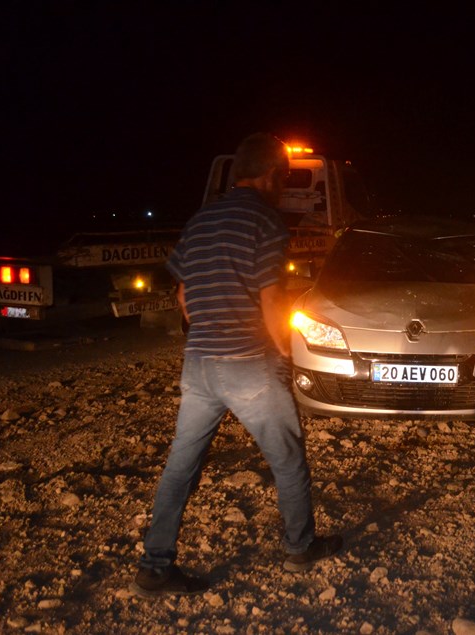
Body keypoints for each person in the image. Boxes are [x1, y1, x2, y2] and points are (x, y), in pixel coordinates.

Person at [131, 133, 342, 597]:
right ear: (271, 175)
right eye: (283, 178)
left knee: (180, 468)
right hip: (250, 363)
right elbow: (271, 299)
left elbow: (184, 296)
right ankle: (299, 548)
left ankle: (154, 568)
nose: (283, 187)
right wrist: (286, 352)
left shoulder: (200, 220)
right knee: (287, 460)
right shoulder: (265, 221)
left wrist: (209, 326)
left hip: (199, 365)